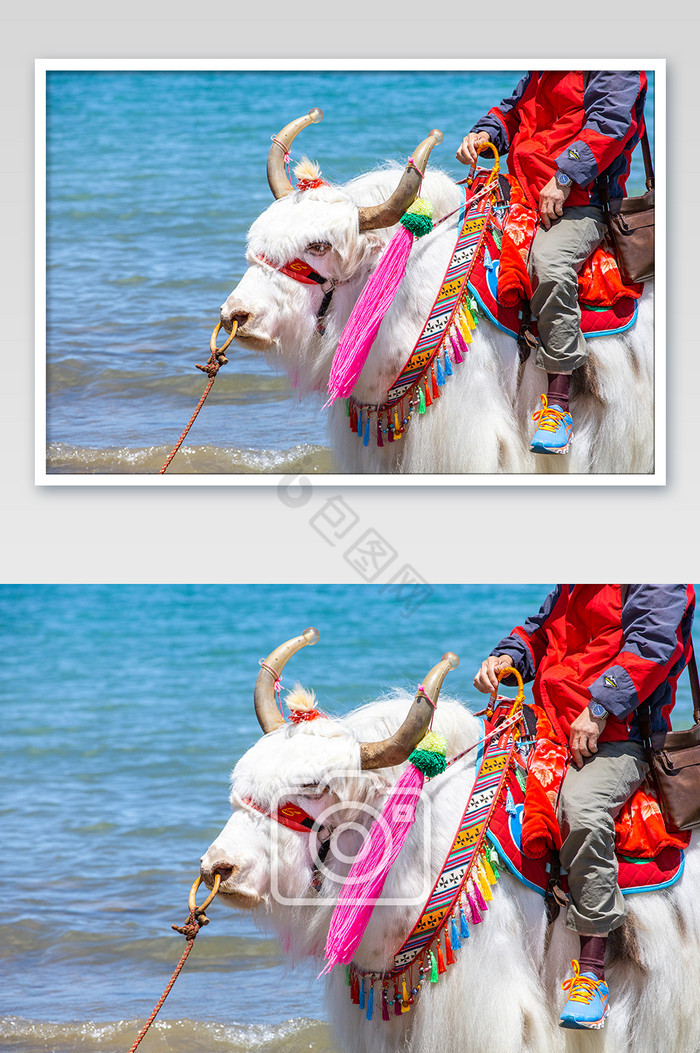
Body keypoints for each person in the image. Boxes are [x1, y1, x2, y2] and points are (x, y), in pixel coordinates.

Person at [474, 584, 695, 1030]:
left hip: (619, 733)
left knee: (582, 810)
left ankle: (591, 974)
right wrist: (508, 658)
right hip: (554, 719)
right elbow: (540, 631)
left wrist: (599, 708)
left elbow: (653, 644)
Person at [457, 71, 648, 454]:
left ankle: (557, 409)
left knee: (549, 265)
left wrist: (564, 177)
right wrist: (486, 134)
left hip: (581, 199)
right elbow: (514, 111)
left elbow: (610, 123)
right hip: (525, 188)